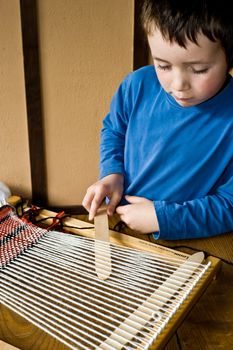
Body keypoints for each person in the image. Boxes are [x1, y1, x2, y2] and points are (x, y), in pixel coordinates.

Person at [82, 0, 233, 242]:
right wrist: (111, 174)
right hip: (121, 216)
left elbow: (230, 205)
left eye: (199, 69)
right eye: (163, 65)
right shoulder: (137, 85)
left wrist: (162, 218)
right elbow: (114, 131)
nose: (178, 84)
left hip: (192, 233)